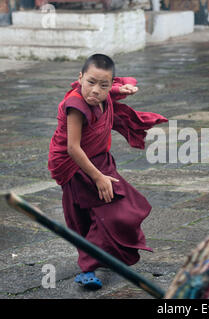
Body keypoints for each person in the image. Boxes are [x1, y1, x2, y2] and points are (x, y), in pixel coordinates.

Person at [48, 54, 168, 289]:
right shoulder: (76, 106)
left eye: (104, 85)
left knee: (114, 210)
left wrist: (121, 88)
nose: (96, 91)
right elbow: (73, 148)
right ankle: (87, 269)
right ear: (80, 78)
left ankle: (97, 257)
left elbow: (107, 90)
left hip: (100, 160)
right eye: (91, 82)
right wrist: (98, 177)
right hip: (77, 165)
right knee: (102, 214)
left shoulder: (103, 94)